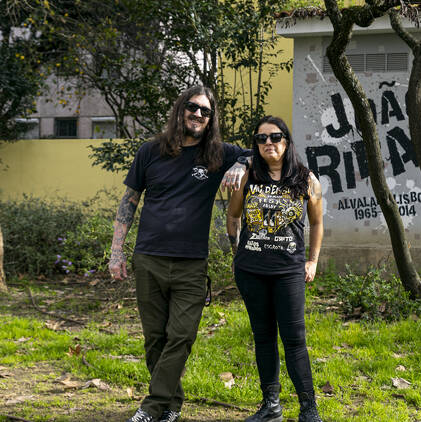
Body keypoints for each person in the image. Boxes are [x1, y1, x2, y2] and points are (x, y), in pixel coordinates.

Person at [109, 85, 251, 422]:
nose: (198, 114)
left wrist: (241, 164)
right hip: (149, 258)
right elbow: (129, 201)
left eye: (206, 111)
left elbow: (264, 151)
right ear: (180, 110)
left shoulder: (217, 153)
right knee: (154, 338)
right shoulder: (150, 152)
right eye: (193, 107)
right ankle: (171, 404)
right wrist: (117, 252)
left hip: (191, 263)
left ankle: (151, 406)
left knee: (182, 335)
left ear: (211, 118)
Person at [227, 115, 324, 422]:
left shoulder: (307, 179)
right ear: (255, 145)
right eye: (261, 138)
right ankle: (271, 406)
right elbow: (232, 215)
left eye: (275, 137)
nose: (269, 143)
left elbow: (318, 222)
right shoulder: (248, 176)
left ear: (286, 141)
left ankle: (309, 409)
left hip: (288, 272)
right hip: (251, 271)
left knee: (295, 338)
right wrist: (236, 252)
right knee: (263, 336)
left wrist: (313, 261)